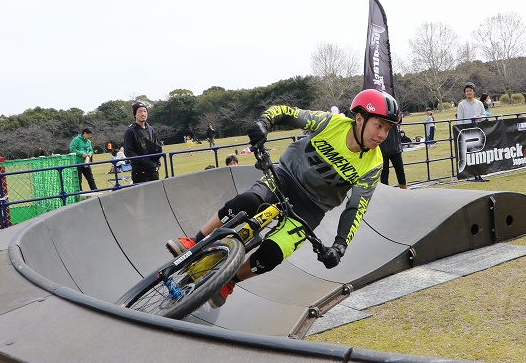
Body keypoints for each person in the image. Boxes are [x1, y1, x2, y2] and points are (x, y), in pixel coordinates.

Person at [165, 89, 400, 307]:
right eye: (379, 125)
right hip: (285, 178)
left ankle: (228, 281)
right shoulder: (331, 123)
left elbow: (356, 209)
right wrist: (263, 123)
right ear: (360, 118)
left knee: (272, 255)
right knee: (248, 203)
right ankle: (194, 242)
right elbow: (286, 112)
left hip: (312, 208)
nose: (382, 134)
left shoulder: (373, 164)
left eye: (388, 129)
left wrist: (340, 246)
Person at [123, 102, 161, 184]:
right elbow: (128, 152)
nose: (143, 114)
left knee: (156, 194)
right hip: (140, 171)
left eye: (145, 111)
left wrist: (157, 164)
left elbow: (155, 147)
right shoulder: (130, 131)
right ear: (135, 114)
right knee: (143, 196)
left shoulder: (151, 129)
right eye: (140, 111)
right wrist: (147, 163)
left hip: (153, 170)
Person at [380, 111, 408, 190]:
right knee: (384, 172)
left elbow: (398, 119)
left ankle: (403, 188)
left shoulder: (394, 112)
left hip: (395, 147)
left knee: (400, 170)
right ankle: (384, 191)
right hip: (382, 148)